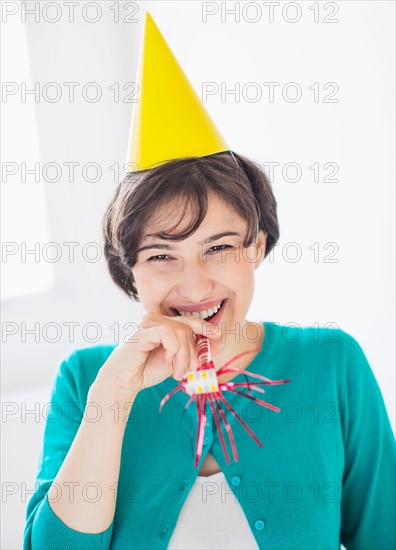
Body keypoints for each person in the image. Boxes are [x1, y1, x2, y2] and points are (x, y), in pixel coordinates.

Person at [23, 12, 395, 550]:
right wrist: (114, 395)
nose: (194, 286)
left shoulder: (332, 364)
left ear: (257, 247)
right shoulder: (86, 379)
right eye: (161, 256)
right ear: (131, 271)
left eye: (218, 248)